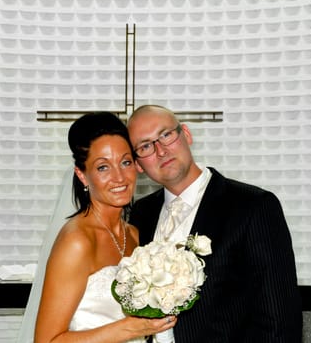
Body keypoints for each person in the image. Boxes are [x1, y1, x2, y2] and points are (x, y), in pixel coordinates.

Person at [127, 105, 302, 343]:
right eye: (146, 146)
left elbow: (280, 321)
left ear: (186, 134)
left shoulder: (252, 206)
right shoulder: (140, 214)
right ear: (138, 164)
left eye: (166, 135)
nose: (161, 151)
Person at [33, 112, 176, 343]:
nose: (119, 177)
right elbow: (47, 341)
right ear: (82, 175)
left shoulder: (136, 234)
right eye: (102, 167)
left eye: (125, 162)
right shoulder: (78, 241)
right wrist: (130, 329)